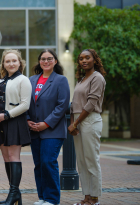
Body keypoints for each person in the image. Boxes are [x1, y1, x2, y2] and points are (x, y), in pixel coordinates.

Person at [27, 49, 70, 205]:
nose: (46, 61)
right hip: (34, 130)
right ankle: (42, 197)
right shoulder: (31, 80)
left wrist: (46, 123)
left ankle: (52, 199)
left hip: (53, 130)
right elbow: (25, 103)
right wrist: (27, 120)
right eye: (43, 59)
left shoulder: (60, 80)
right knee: (39, 164)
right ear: (39, 61)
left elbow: (62, 105)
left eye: (49, 58)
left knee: (48, 161)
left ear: (55, 61)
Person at [0, 49, 32, 205]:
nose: (11, 63)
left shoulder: (23, 80)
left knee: (14, 157)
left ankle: (13, 194)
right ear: (3, 64)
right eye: (7, 61)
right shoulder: (0, 81)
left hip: (14, 122)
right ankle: (15, 196)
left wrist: (6, 115)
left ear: (20, 63)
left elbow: (25, 105)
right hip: (0, 122)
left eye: (14, 61)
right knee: (6, 158)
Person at [69, 49, 106, 205]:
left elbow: (91, 103)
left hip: (90, 120)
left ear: (94, 60)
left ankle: (95, 198)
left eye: (87, 58)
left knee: (91, 160)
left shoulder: (97, 78)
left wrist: (76, 123)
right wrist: (73, 122)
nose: (83, 60)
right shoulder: (82, 79)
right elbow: (74, 104)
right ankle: (86, 197)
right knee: (82, 161)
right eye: (81, 58)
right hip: (78, 120)